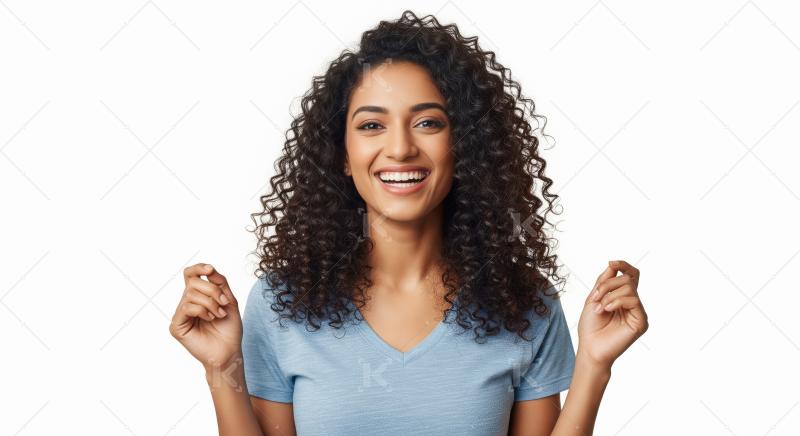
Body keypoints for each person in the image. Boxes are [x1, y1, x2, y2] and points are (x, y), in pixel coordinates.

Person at [169, 10, 649, 436]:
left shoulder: (522, 302)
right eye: (372, 125)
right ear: (342, 154)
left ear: (464, 147)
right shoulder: (282, 303)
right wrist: (222, 368)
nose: (400, 148)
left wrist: (593, 364)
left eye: (428, 123)